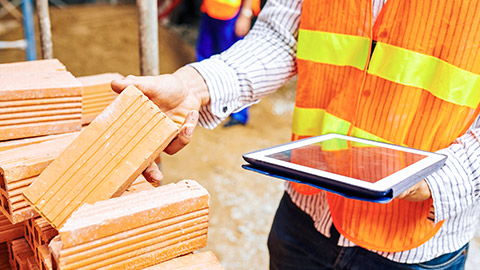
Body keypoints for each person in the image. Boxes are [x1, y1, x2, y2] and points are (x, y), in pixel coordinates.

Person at [112, 0, 480, 269]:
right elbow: (281, 37)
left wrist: (441, 179)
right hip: (307, 213)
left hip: (414, 244)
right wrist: (193, 86)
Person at [196, 0, 261, 127]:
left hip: (232, 13)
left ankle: (239, 114)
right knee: (205, 55)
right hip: (212, 9)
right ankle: (207, 103)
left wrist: (245, 14)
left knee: (234, 62)